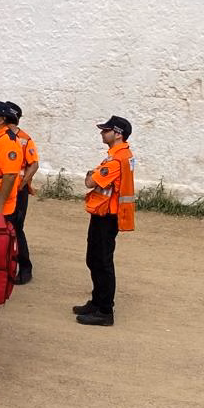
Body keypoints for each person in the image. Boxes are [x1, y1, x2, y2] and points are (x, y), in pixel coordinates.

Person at [74, 116, 135, 327]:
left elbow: (90, 182)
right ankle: (97, 302)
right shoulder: (119, 155)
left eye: (106, 130)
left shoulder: (116, 160)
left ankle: (105, 311)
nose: (102, 133)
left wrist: (91, 174)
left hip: (107, 216)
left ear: (118, 134)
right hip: (104, 213)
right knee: (95, 259)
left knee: (102, 261)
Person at [4, 100, 38, 284]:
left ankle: (25, 268)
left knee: (16, 228)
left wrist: (21, 185)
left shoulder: (24, 139)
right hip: (1, 190)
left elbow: (34, 164)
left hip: (17, 191)